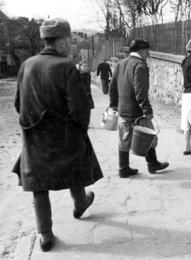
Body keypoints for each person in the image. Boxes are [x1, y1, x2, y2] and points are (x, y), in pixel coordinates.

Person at [12, 18, 103, 252]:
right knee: (77, 160)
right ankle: (80, 202)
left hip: (34, 137)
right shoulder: (65, 66)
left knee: (38, 184)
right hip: (63, 136)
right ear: (62, 42)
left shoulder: (26, 65)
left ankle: (44, 234)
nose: (71, 46)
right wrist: (80, 130)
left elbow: (18, 104)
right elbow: (79, 109)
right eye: (70, 41)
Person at [109, 38, 169, 178]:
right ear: (141, 51)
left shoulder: (121, 63)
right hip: (137, 110)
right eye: (147, 51)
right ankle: (152, 163)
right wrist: (147, 111)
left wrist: (113, 105)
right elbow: (140, 92)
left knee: (124, 138)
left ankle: (123, 168)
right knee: (149, 135)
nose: (148, 54)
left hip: (123, 109)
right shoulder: (140, 66)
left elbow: (112, 87)